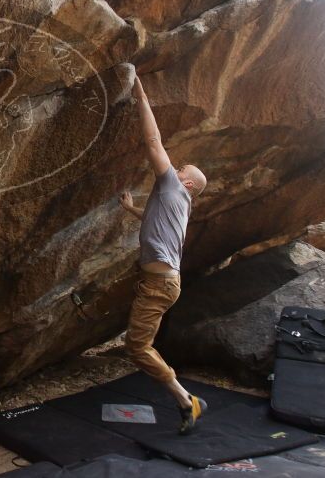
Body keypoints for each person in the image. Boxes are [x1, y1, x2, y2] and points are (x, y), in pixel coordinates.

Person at [117, 75, 207, 434]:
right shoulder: (179, 203)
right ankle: (186, 399)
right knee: (138, 344)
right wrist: (132, 210)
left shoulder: (173, 186)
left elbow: (152, 140)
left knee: (137, 348)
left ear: (185, 183)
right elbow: (155, 221)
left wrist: (141, 96)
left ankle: (186, 401)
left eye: (181, 169)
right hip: (161, 281)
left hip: (158, 285)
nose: (176, 166)